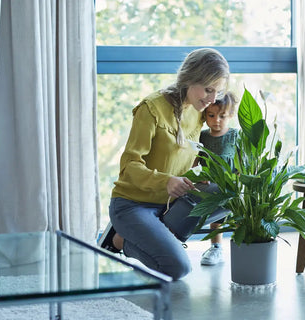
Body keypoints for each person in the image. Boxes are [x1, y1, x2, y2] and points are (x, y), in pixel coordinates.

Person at [98, 48, 230, 280]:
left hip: (172, 204)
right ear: (190, 78)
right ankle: (120, 240)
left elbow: (190, 152)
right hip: (133, 205)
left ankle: (152, 236)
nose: (212, 100)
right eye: (208, 90)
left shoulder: (199, 111)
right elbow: (129, 167)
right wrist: (166, 181)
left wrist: (203, 172)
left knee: (233, 192)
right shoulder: (151, 109)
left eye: (217, 92)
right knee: (179, 268)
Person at [195, 92, 238, 266]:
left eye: (222, 116)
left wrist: (239, 178)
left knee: (236, 217)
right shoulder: (202, 136)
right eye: (211, 115)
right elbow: (195, 159)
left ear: (230, 115)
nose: (216, 120)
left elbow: (242, 160)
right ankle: (216, 247)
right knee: (216, 219)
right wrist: (198, 176)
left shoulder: (235, 135)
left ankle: (241, 244)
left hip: (232, 184)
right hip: (211, 185)